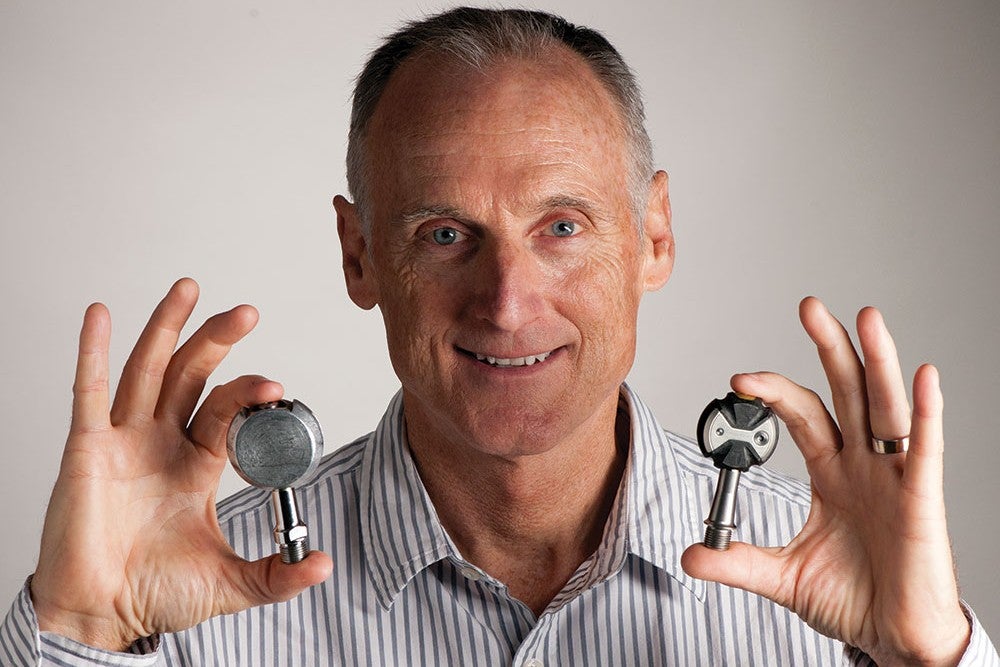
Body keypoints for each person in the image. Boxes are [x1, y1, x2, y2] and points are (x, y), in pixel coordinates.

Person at [1, 7, 997, 666]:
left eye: (561, 227)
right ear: (358, 256)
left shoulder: (834, 592)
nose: (507, 300)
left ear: (653, 235)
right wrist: (80, 632)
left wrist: (929, 661)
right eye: (445, 234)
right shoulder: (177, 608)